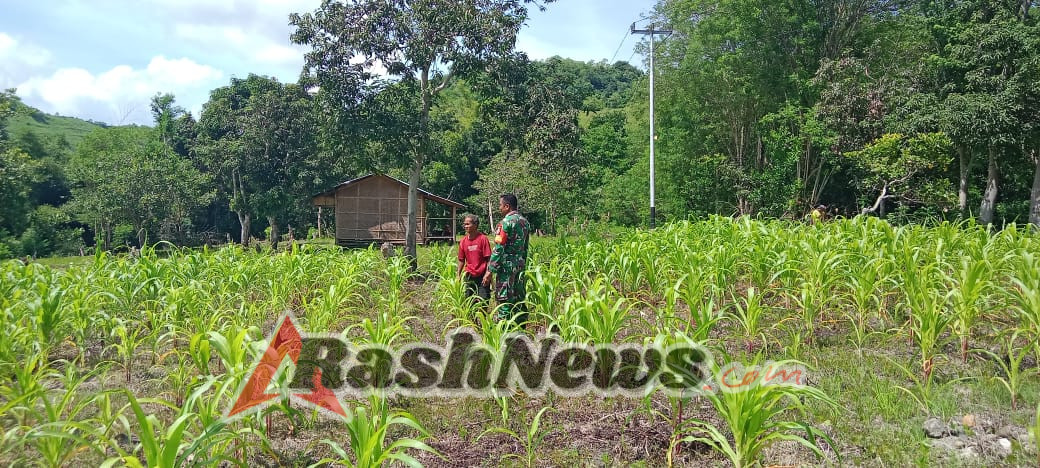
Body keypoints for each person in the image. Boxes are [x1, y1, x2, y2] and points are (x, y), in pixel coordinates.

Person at [482, 193, 531, 327]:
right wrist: (522, 263)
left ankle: (504, 332)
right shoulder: (525, 222)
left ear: (507, 206)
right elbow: (525, 248)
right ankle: (521, 329)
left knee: (504, 299)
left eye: (500, 205)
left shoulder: (505, 223)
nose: (499, 208)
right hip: (520, 266)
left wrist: (490, 271)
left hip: (506, 268)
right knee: (519, 298)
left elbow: (499, 248)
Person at [457, 214, 492, 303]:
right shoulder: (463, 241)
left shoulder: (483, 239)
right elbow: (461, 260)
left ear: (475, 225)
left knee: (483, 301)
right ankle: (472, 317)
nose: (465, 226)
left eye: (468, 224)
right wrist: (458, 275)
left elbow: (489, 259)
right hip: (469, 275)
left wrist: (488, 274)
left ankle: (483, 317)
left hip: (482, 276)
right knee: (470, 301)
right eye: (464, 224)